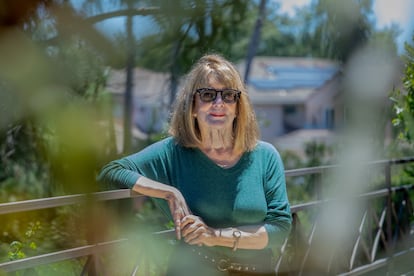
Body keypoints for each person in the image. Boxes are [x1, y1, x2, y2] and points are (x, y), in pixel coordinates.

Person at [98, 54, 292, 275]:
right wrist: (168, 192)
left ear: (238, 107)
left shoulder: (265, 156)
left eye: (228, 95)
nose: (219, 103)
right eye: (208, 95)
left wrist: (213, 236)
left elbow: (280, 229)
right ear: (192, 106)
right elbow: (111, 172)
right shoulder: (174, 152)